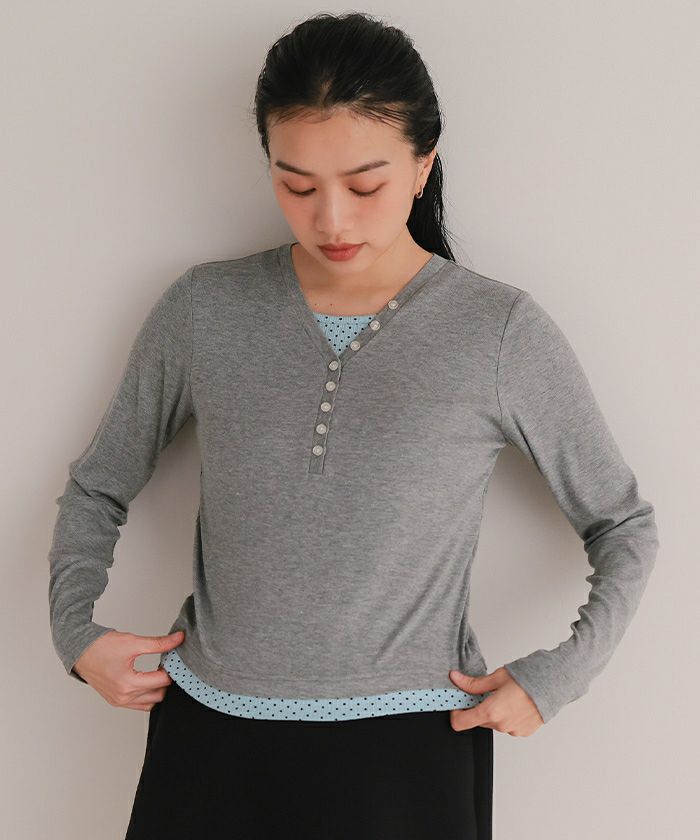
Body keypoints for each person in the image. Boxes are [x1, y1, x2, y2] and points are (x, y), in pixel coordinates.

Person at [47, 12, 659, 840]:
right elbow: (97, 486)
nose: (331, 220)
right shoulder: (203, 309)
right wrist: (75, 632)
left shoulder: (498, 331)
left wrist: (558, 677)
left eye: (364, 186)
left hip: (409, 754)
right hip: (210, 741)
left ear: (423, 165)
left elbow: (622, 524)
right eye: (297, 185)